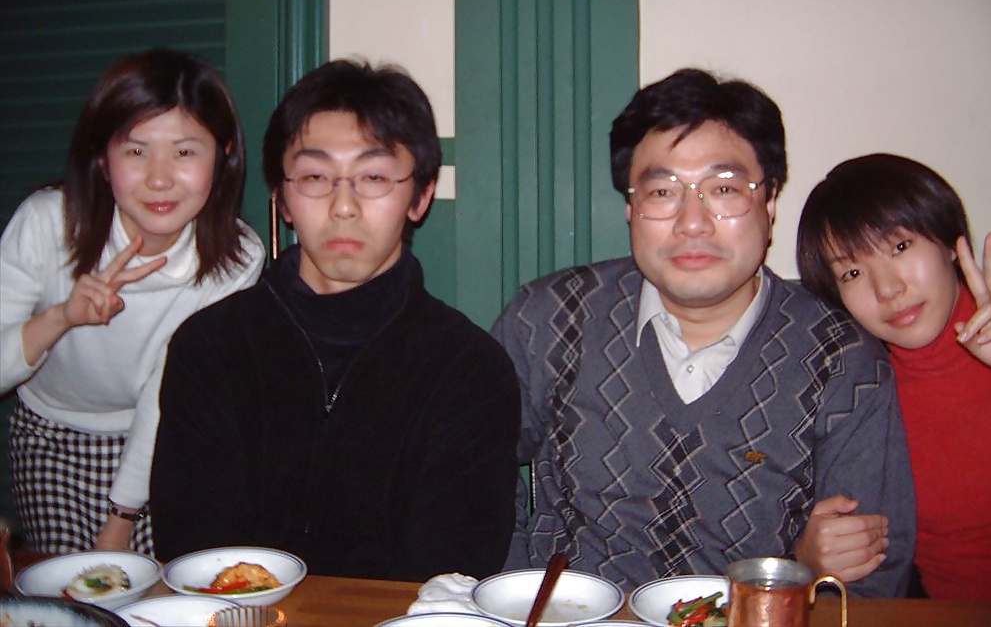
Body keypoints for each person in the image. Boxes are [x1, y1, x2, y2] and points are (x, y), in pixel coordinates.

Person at [492, 68, 916, 596]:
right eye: (662, 191)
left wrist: (798, 573)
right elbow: (472, 472)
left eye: (724, 189)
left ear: (770, 202)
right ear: (631, 208)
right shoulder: (550, 318)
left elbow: (869, 576)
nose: (693, 222)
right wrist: (511, 593)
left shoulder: (840, 359)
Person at [150, 58, 521, 581]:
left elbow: (452, 567)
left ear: (421, 196)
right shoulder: (210, 348)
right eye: (315, 177)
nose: (343, 206)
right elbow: (195, 545)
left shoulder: (471, 370)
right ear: (282, 198)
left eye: (374, 177)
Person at [0, 49, 266, 555]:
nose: (160, 178)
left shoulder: (236, 260)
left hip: (165, 438)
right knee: (67, 587)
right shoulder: (47, 223)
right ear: (103, 159)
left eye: (185, 152)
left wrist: (120, 520)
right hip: (50, 434)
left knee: (153, 584)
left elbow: (163, 394)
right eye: (136, 151)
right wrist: (62, 317)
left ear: (223, 153)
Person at [796, 153, 991, 600]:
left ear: (950, 241)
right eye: (852, 272)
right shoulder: (856, 392)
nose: (887, 289)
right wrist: (805, 559)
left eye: (900, 247)